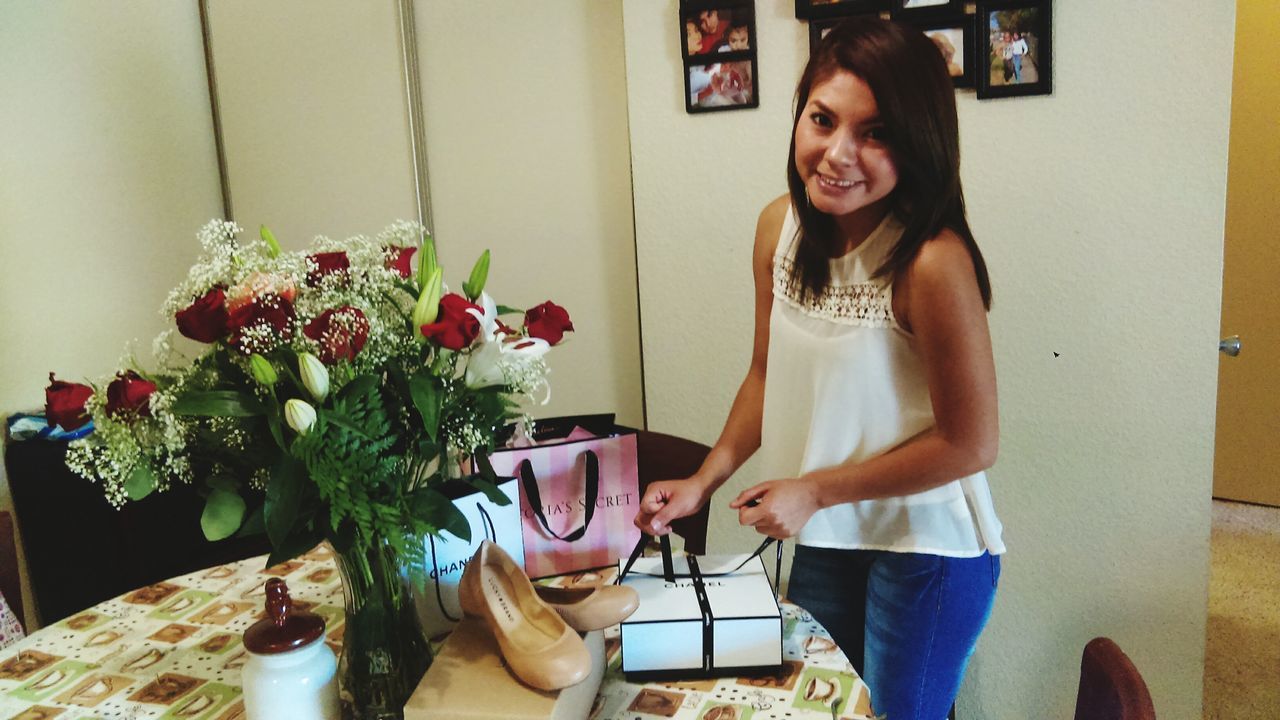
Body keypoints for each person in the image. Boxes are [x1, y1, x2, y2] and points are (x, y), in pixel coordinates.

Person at [635, 17, 1005, 720]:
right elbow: (765, 374)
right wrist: (704, 481)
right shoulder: (780, 228)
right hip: (830, 533)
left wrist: (815, 490)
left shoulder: (932, 261)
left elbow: (972, 444)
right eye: (822, 119)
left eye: (876, 132)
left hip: (925, 548)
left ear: (918, 142)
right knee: (815, 708)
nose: (838, 154)